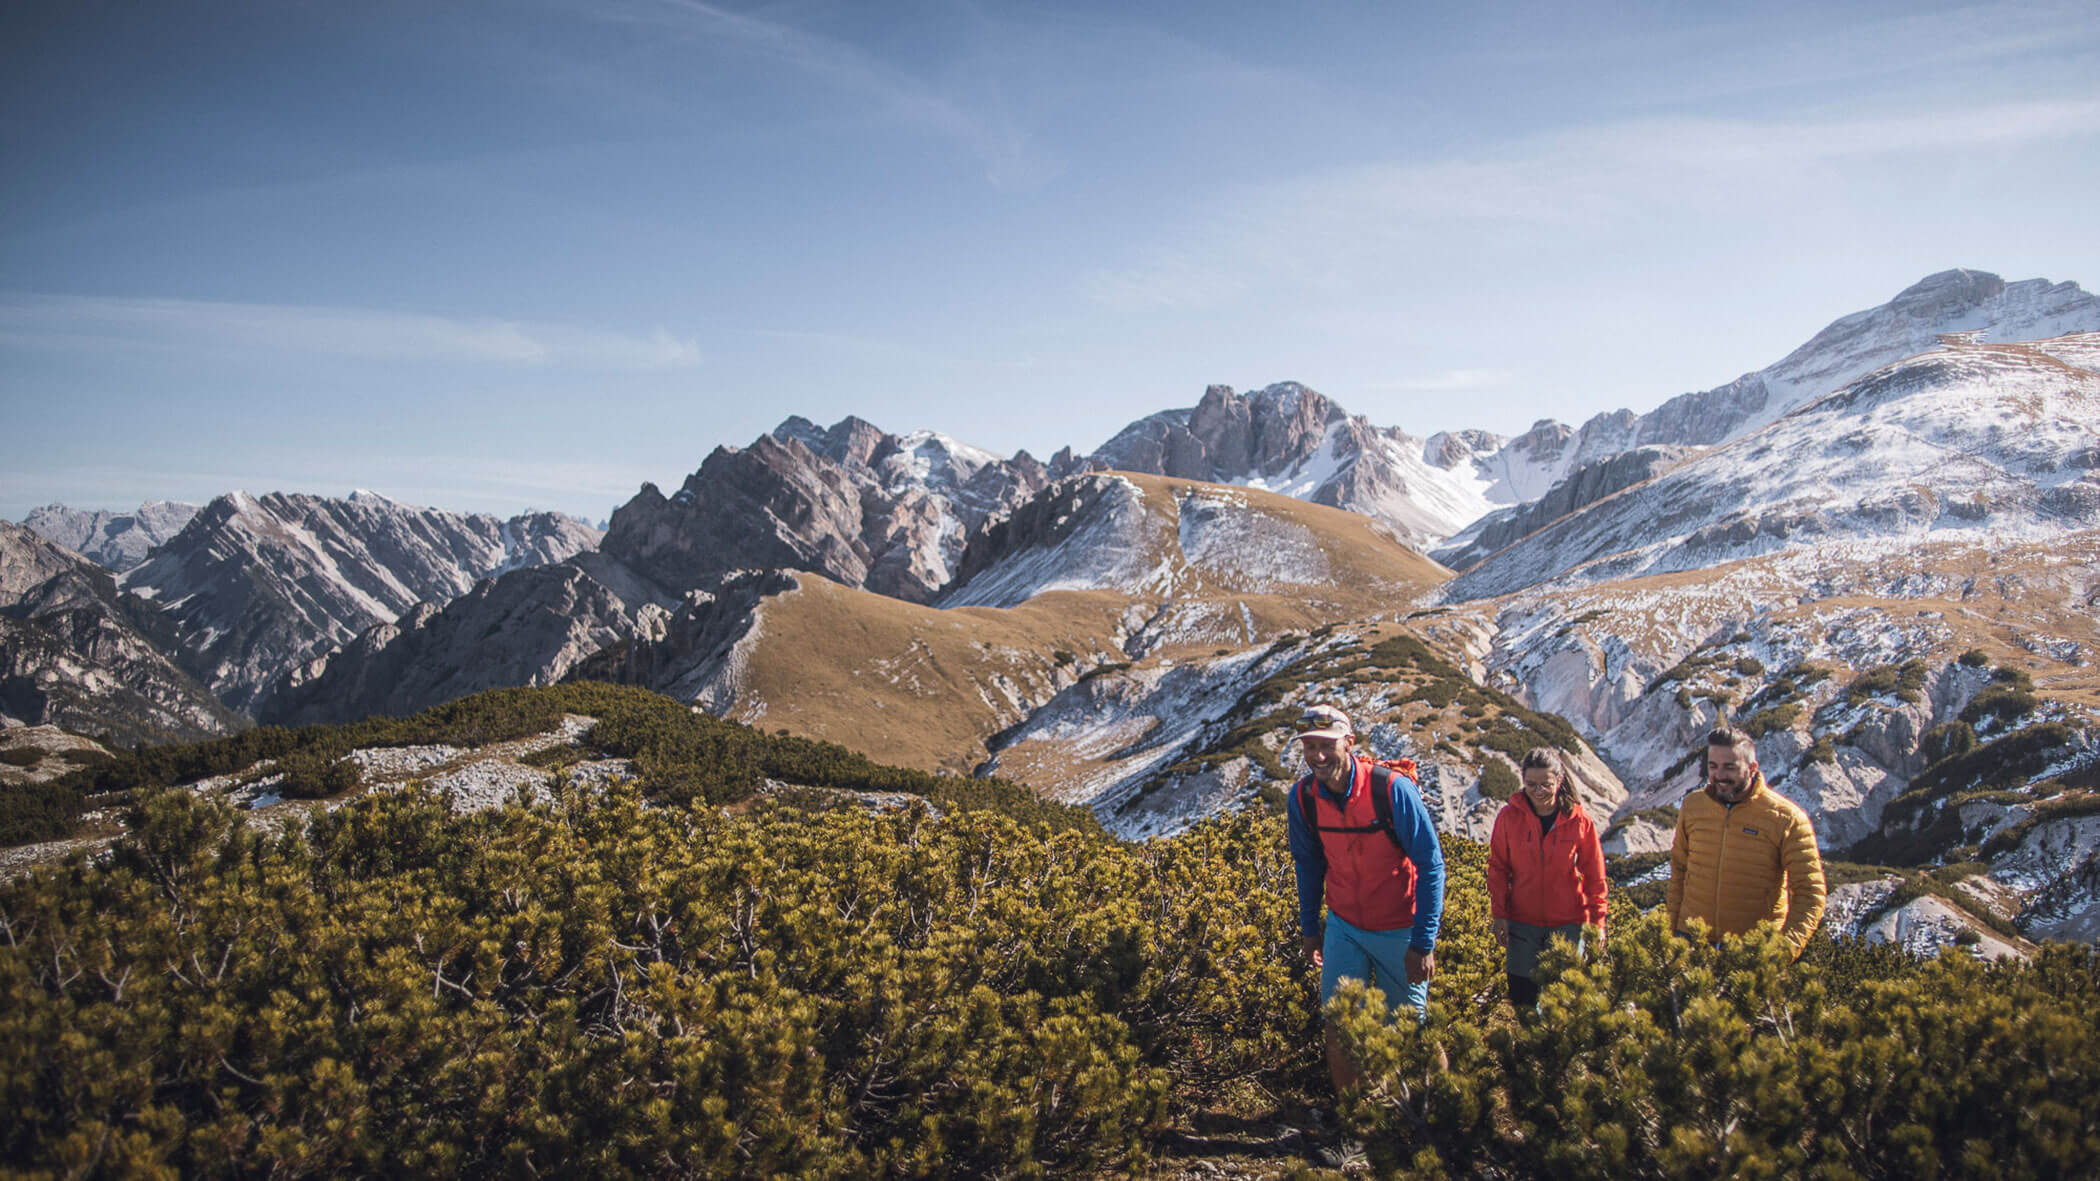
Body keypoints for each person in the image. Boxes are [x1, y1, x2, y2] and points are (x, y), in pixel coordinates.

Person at [1285, 703, 1446, 1094]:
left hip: (1399, 929)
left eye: (1326, 745)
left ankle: (1446, 1111)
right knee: (1339, 1024)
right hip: (1344, 926)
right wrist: (1311, 931)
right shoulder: (1303, 797)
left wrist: (1423, 943)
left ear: (1349, 743)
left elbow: (1431, 865)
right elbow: (1307, 866)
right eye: (1309, 748)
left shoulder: (1391, 790)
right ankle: (1356, 1122)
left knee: (1410, 1027)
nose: (1318, 756)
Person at [1666, 725, 1827, 956]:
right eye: (1713, 766)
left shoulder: (1787, 819)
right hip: (1689, 944)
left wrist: (1782, 952)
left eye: (1729, 767)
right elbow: (1679, 869)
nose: (1719, 775)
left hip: (1750, 953)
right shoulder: (1693, 806)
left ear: (1752, 768)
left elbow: (1810, 893)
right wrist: (1670, 935)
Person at [1488, 747, 1607, 1011]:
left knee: (1561, 1006)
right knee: (1522, 1001)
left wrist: (1597, 923)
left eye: (1546, 784)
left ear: (1560, 781)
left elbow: (1594, 876)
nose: (1538, 791)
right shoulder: (1508, 817)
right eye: (1531, 784)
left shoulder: (1579, 821)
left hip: (1568, 926)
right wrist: (1500, 915)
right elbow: (1498, 868)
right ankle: (1529, 1052)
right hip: (1522, 924)